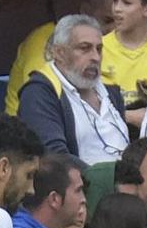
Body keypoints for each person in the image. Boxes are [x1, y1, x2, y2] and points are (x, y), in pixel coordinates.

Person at [17, 15, 130, 165]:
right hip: (82, 185)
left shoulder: (110, 91)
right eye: (85, 48)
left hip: (128, 182)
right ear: (59, 53)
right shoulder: (39, 93)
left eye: (99, 49)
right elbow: (54, 159)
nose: (95, 57)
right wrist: (110, 180)